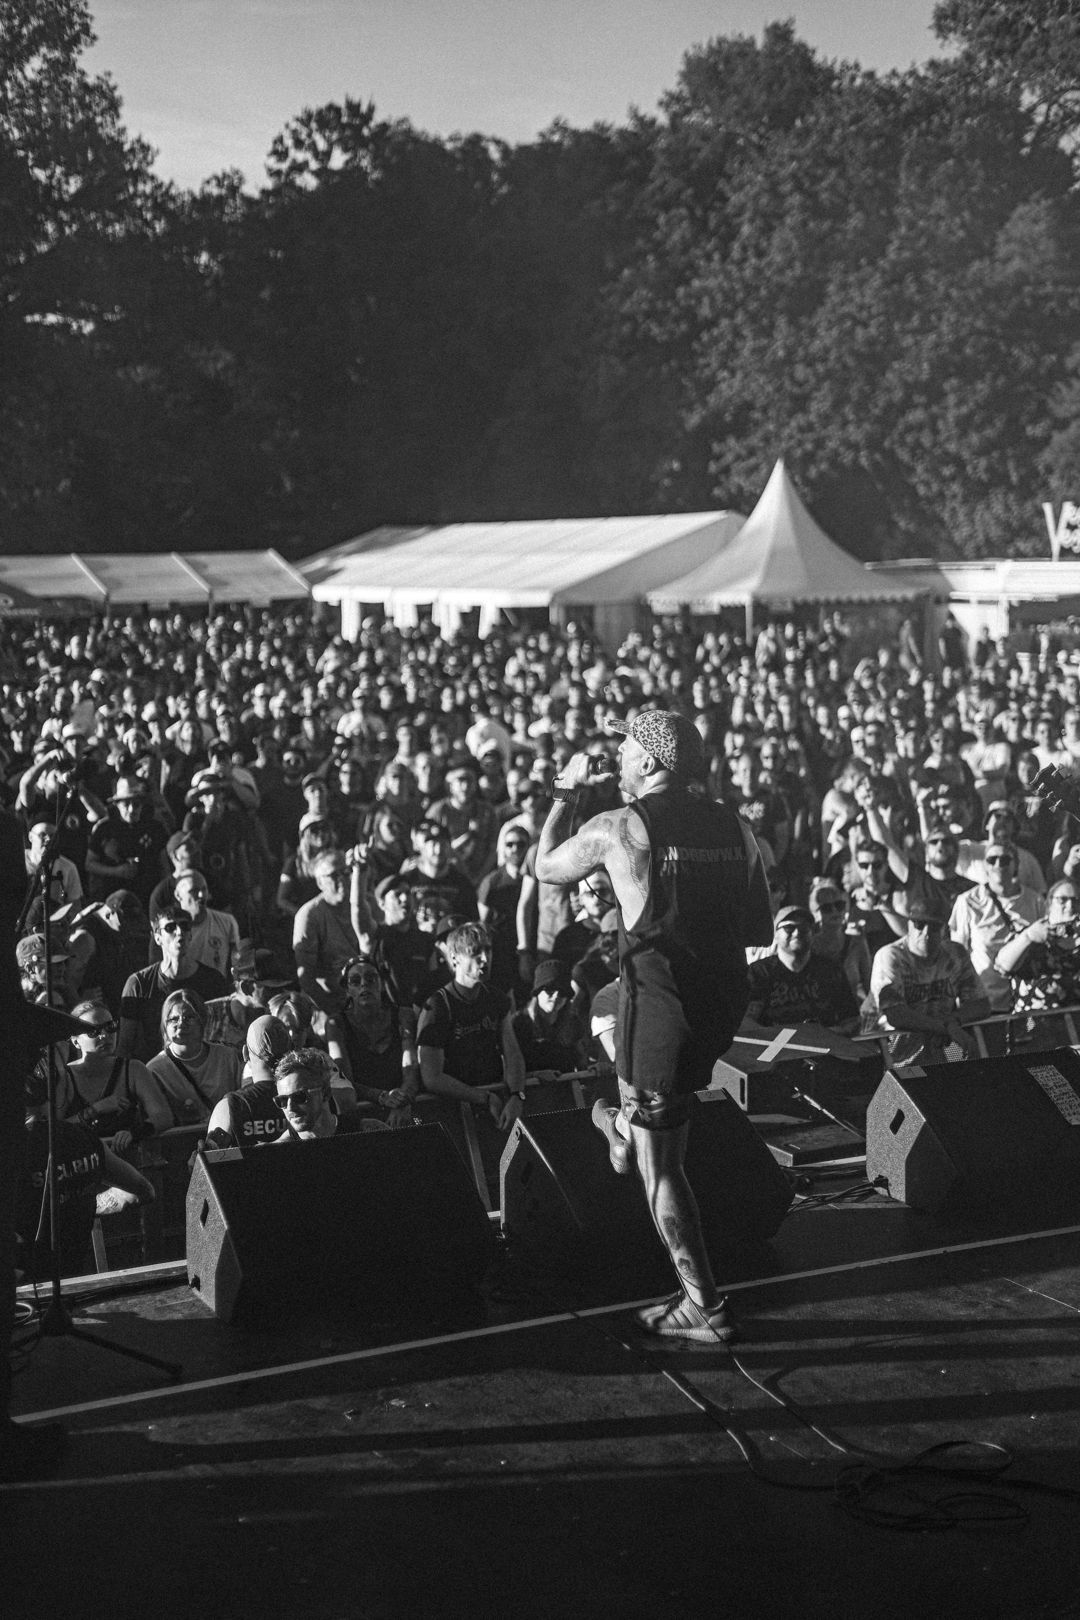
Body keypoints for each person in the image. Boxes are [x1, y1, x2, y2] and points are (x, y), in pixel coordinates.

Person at [534, 710, 773, 1345]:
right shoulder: (737, 826)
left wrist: (564, 791)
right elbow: (759, 929)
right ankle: (621, 1127)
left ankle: (705, 1305)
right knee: (658, 1130)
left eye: (625, 745)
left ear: (651, 761)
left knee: (659, 1168)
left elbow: (546, 868)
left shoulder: (619, 827)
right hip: (719, 1007)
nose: (615, 754)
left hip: (658, 1010)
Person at [416, 921, 527, 1129]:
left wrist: (516, 1096)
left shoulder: (496, 998)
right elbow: (431, 1077)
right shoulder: (438, 1006)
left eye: (488, 950)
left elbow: (512, 1054)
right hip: (452, 1111)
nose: (484, 959)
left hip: (494, 1103)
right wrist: (482, 1097)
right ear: (455, 958)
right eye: (475, 952)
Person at [864, 899, 990, 1070]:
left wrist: (952, 1021)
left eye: (935, 926)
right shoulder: (891, 956)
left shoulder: (955, 954)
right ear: (908, 925)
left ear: (945, 928)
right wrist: (947, 1028)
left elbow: (981, 1004)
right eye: (919, 924)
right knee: (902, 1094)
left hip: (935, 1052)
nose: (926, 932)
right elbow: (896, 1014)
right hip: (889, 1054)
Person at [117, 905, 230, 1060]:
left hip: (202, 1071)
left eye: (184, 926)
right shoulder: (138, 984)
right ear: (157, 938)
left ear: (191, 934)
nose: (179, 932)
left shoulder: (213, 981)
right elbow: (125, 1047)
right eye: (170, 927)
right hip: (153, 1073)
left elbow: (224, 1039)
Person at [325, 958, 418, 1126]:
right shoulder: (336, 1024)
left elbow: (411, 1070)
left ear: (381, 983)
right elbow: (343, 1078)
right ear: (347, 989)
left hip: (402, 1109)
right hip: (364, 1115)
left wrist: (403, 1100)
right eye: (355, 981)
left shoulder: (404, 1015)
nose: (364, 985)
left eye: (371, 978)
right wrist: (382, 1096)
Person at [146, 988, 243, 1125]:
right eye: (174, 1019)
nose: (181, 1024)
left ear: (202, 1020)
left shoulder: (227, 1057)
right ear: (164, 1025)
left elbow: (243, 1100)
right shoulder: (154, 1070)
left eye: (189, 1017)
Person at [204, 1014, 294, 1148]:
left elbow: (208, 1163)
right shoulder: (311, 1098)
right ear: (292, 1050)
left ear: (245, 1053)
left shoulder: (229, 1107)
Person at [273, 1048, 386, 1142]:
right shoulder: (278, 1152)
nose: (290, 1108)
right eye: (282, 1101)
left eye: (299, 1096)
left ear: (326, 1093)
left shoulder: (369, 1132)